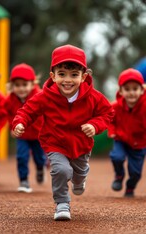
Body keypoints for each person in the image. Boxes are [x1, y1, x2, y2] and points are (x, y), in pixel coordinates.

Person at [12, 45, 114, 220]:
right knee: (61, 170)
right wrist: (20, 122)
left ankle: (80, 178)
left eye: (74, 75)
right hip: (55, 142)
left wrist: (95, 125)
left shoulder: (93, 97)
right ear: (53, 76)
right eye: (62, 74)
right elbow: (27, 110)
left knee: (78, 173)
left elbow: (107, 113)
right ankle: (62, 204)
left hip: (81, 144)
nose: (68, 80)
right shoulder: (45, 96)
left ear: (84, 77)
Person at [5, 63, 46, 193]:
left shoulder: (40, 97)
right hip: (22, 135)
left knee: (39, 157)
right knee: (21, 156)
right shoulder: (10, 100)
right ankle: (24, 180)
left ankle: (40, 168)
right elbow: (10, 115)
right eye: (17, 85)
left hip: (38, 134)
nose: (21, 88)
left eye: (25, 85)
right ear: (12, 86)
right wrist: (12, 127)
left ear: (33, 83)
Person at [108, 68, 146, 197]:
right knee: (117, 157)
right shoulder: (115, 107)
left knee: (136, 172)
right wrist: (112, 132)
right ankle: (119, 175)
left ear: (141, 90)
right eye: (127, 89)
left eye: (135, 89)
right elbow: (110, 120)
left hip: (139, 142)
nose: (131, 93)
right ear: (121, 91)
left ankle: (130, 187)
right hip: (121, 139)